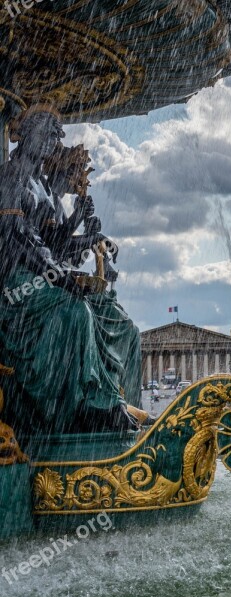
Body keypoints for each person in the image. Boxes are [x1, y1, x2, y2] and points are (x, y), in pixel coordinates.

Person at [0, 106, 139, 436]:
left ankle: (123, 399)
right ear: (23, 135)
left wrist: (82, 226)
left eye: (56, 135)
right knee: (75, 312)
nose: (53, 140)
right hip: (16, 284)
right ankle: (90, 405)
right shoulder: (8, 177)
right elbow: (19, 240)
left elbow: (56, 245)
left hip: (42, 276)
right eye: (46, 133)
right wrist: (60, 275)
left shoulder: (44, 187)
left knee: (121, 322)